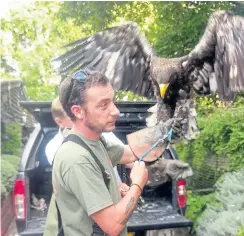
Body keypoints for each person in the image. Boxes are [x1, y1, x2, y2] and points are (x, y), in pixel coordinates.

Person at [45, 69, 180, 236]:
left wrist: (165, 131)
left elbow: (131, 153)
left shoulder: (95, 141)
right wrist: (137, 184)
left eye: (112, 101)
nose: (116, 111)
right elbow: (113, 225)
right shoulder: (76, 158)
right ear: (78, 111)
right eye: (103, 105)